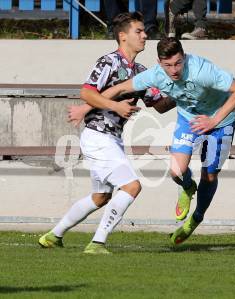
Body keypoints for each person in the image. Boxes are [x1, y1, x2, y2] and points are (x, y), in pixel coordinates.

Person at [82, 37, 235, 245]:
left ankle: (195, 219)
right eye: (168, 65)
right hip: (189, 119)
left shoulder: (202, 71)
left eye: (178, 63)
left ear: (184, 58)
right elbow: (118, 89)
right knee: (176, 171)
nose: (174, 70)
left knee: (210, 175)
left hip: (221, 120)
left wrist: (214, 119)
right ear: (160, 62)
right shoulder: (154, 74)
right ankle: (187, 187)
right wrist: (85, 107)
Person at [38, 12, 155, 254]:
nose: (145, 35)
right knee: (132, 186)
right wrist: (116, 106)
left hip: (112, 139)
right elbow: (87, 92)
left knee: (101, 196)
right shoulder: (108, 62)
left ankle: (53, 236)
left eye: (144, 31)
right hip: (98, 136)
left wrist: (186, 92)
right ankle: (97, 243)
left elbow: (160, 104)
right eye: (139, 31)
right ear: (123, 36)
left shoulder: (142, 71)